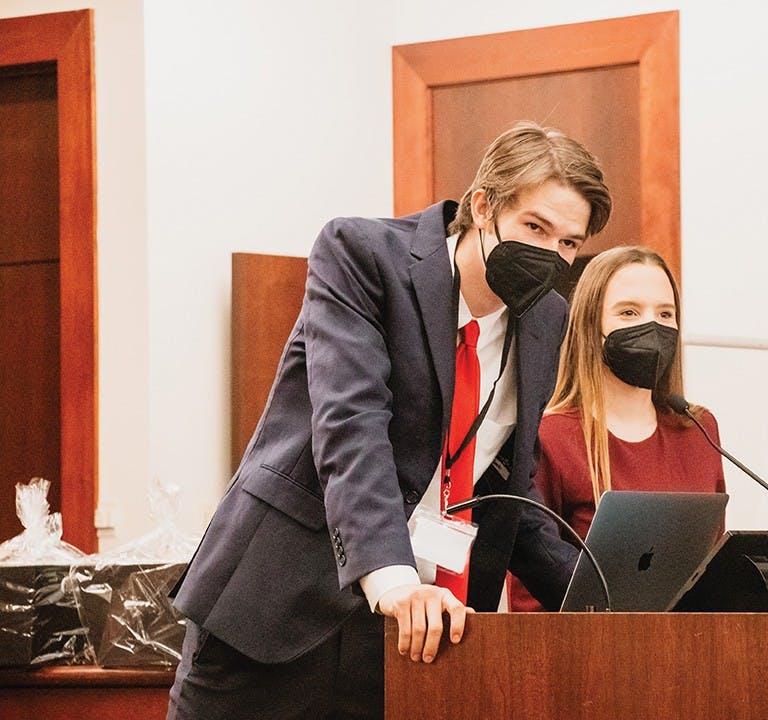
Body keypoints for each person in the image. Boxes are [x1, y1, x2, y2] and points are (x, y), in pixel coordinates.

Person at [167, 121, 611, 719]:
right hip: (278, 613)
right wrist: (394, 582)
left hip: (413, 637)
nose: (550, 255)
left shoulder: (545, 318)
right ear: (483, 207)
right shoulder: (362, 255)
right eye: (535, 227)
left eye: (568, 243)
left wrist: (603, 598)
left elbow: (506, 485)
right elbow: (352, 430)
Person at [508, 245, 726, 612]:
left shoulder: (698, 428)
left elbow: (714, 566)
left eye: (665, 313)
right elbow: (530, 597)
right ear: (592, 328)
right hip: (588, 655)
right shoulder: (551, 435)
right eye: (629, 312)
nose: (651, 326)